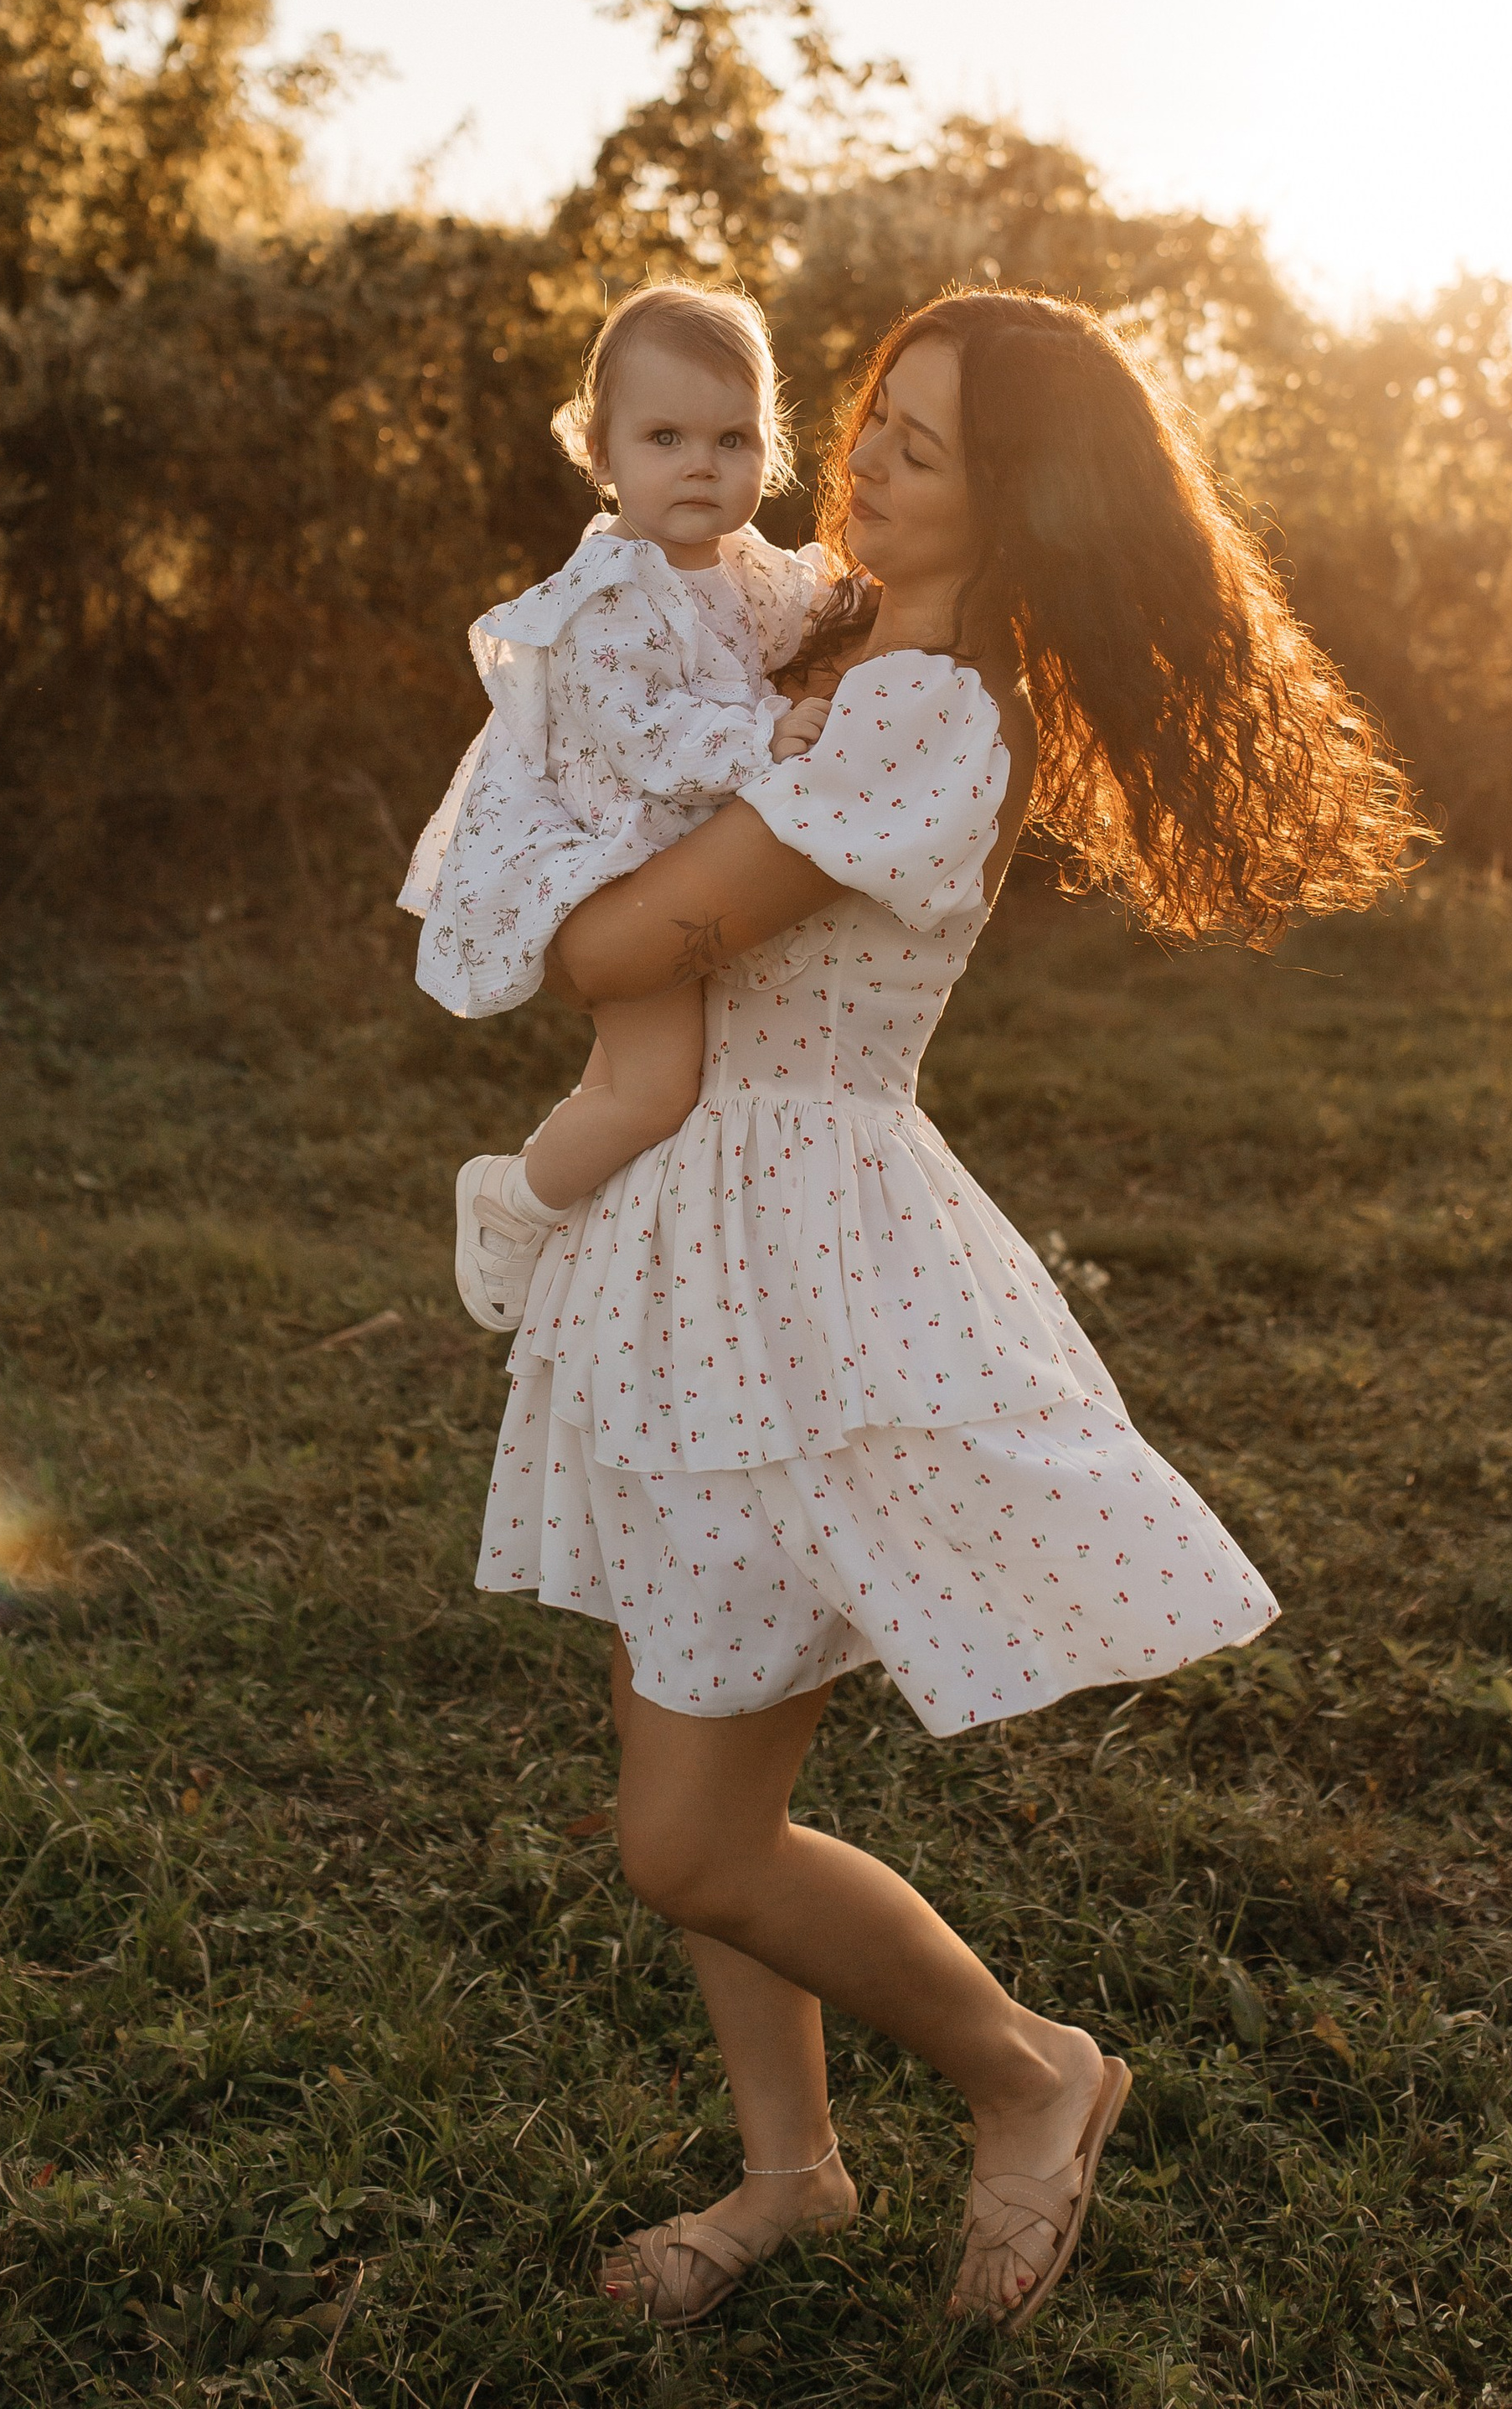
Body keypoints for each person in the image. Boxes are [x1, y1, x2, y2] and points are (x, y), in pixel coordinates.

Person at [462, 287, 1421, 2331]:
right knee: (691, 1712)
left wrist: (554, 852)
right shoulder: (812, 633)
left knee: (687, 1838)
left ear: (1019, 497)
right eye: (873, 414)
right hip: (677, 1244)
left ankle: (1025, 2069)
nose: (866, 459)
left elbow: (624, 936)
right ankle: (788, 2171)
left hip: (799, 1260)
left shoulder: (931, 710)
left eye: (926, 441)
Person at [400, 282, 833, 1332]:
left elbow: (813, 607)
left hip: (665, 864)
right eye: (665, 436)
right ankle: (513, 1199)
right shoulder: (606, 593)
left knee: (624, 1078)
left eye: (732, 438)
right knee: (656, 1092)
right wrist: (762, 737)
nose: (700, 463)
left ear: (766, 453)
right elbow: (638, 736)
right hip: (605, 855)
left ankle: (586, 1240)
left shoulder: (735, 568)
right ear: (601, 455)